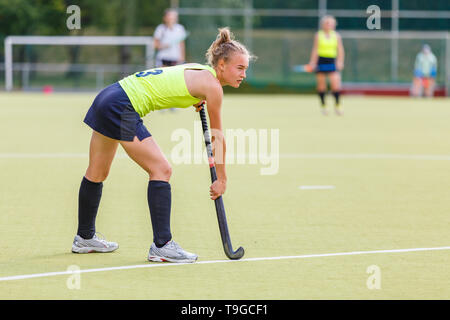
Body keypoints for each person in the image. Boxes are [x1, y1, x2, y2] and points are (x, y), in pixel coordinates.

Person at [71, 27, 252, 264]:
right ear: (221, 65)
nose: (243, 74)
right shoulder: (213, 88)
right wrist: (222, 178)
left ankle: (84, 237)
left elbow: (173, 85)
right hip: (122, 107)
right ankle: (162, 245)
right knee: (161, 169)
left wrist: (195, 99)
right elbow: (217, 136)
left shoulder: (198, 71)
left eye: (245, 69)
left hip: (110, 96)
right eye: (240, 68)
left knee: (97, 172)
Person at [308, 15, 345, 116]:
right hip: (321, 60)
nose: (329, 25)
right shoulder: (318, 35)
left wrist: (340, 61)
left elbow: (340, 50)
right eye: (327, 23)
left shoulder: (336, 36)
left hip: (332, 61)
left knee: (335, 83)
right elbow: (315, 49)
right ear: (323, 25)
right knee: (321, 85)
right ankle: (323, 106)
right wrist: (312, 62)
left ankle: (337, 105)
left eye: (331, 23)